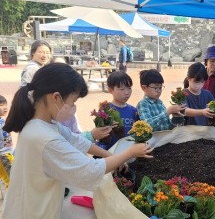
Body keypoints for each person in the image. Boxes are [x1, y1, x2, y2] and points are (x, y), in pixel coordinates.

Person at [2, 63, 153, 219]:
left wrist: (108, 154)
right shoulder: (44, 138)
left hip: (32, 206)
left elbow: (77, 140)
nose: (73, 107)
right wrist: (130, 152)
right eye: (73, 102)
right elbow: (90, 170)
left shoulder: (43, 123)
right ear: (56, 97)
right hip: (31, 212)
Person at [96, 71, 140, 151]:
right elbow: (100, 136)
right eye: (122, 89)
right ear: (110, 90)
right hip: (110, 153)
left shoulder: (134, 111)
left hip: (129, 153)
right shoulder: (105, 110)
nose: (127, 93)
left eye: (129, 88)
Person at [0, 95, 13, 189]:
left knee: (6, 177)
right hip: (4, 154)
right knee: (12, 178)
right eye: (1, 105)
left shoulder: (2, 120)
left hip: (5, 153)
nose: (5, 107)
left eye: (6, 104)